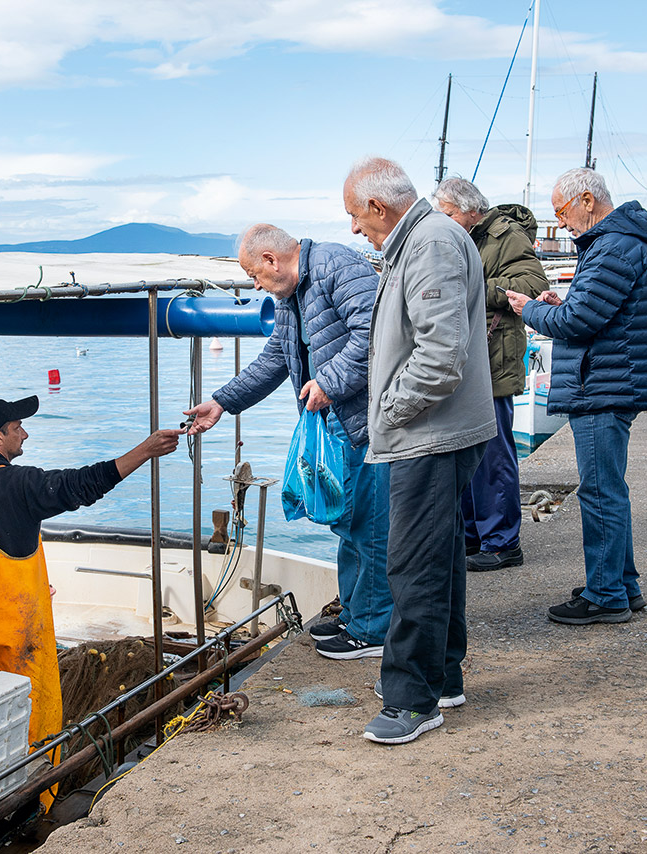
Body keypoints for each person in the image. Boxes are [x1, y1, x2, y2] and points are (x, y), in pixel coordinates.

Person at [182, 224, 391, 661]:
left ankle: (373, 630)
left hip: (368, 423)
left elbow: (377, 333)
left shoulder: (339, 266)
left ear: (272, 260)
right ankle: (356, 614)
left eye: (253, 274)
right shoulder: (289, 297)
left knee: (371, 527)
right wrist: (221, 402)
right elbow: (276, 358)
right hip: (337, 424)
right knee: (348, 523)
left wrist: (329, 383)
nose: (254, 284)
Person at [343, 157, 495, 744]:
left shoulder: (429, 242)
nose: (355, 228)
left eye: (356, 216)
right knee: (441, 557)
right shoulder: (424, 238)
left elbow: (441, 354)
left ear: (379, 207)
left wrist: (389, 412)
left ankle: (412, 699)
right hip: (437, 431)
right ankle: (444, 677)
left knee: (412, 564)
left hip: (429, 434)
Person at [0, 396, 181, 750]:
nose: (25, 434)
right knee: (30, 723)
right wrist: (145, 450)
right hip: (13, 640)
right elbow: (82, 485)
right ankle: (36, 797)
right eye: (18, 428)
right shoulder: (17, 484)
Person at [504, 167, 647, 625]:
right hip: (612, 381)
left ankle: (607, 594)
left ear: (588, 200)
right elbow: (592, 312)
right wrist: (561, 305)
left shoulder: (612, 246)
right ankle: (622, 585)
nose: (562, 221)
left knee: (599, 492)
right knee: (608, 488)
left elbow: (579, 323)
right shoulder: (621, 243)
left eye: (562, 210)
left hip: (603, 388)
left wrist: (529, 308)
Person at [433, 177, 548, 572]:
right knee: (467, 452)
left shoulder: (505, 235)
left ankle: (502, 542)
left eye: (447, 213)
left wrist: (471, 285)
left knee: (493, 454)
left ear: (470, 209)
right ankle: (473, 537)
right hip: (471, 356)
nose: (442, 220)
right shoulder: (464, 235)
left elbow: (533, 284)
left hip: (493, 356)